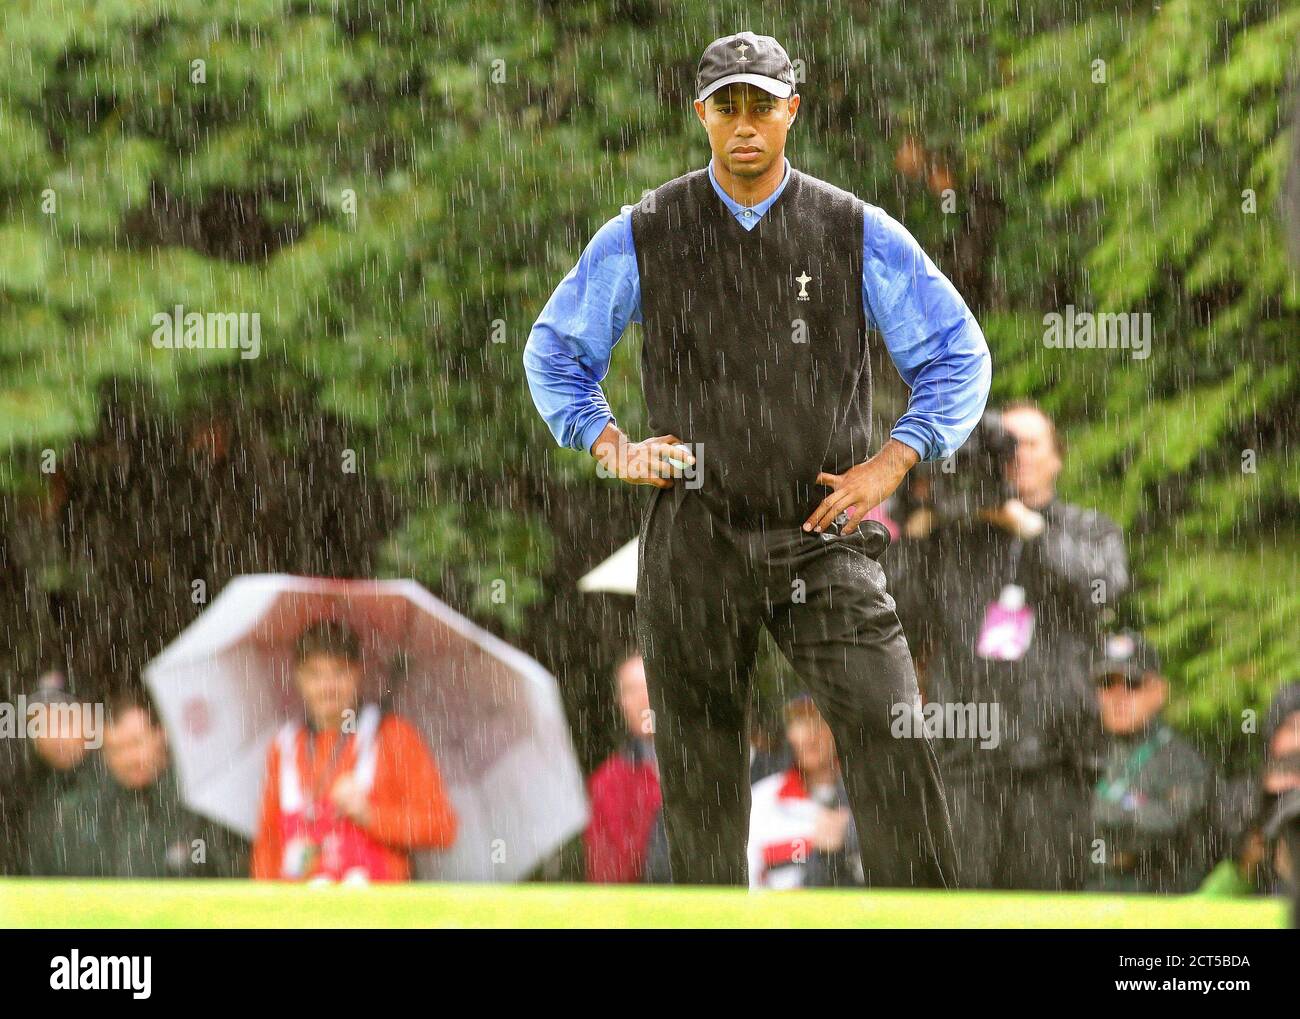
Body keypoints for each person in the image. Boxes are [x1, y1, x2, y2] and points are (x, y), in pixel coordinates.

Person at [524, 31, 990, 887]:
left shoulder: (855, 229)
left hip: (825, 528)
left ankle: (924, 913)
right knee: (699, 768)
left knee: (890, 723)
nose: (745, 124)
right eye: (727, 106)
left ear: (792, 112)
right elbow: (554, 351)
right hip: (694, 530)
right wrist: (608, 442)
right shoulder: (646, 229)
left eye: (761, 105)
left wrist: (897, 458)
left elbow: (958, 354)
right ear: (701, 113)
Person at [893, 402, 1129, 890]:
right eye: (1007, 446)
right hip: (964, 754)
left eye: (1031, 443)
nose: (1017, 456)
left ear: (1058, 458)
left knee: (1045, 908)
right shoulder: (954, 537)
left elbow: (1101, 588)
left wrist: (1030, 528)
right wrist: (917, 521)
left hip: (1055, 756)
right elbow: (898, 618)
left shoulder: (1087, 529)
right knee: (959, 908)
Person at [251, 620, 457, 882]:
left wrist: (371, 816)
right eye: (315, 674)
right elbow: (267, 850)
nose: (328, 687)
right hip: (303, 915)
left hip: (378, 914)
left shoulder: (393, 736)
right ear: (299, 678)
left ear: (358, 673)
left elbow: (442, 828)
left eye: (339, 672)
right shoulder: (285, 747)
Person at [1085, 631, 1214, 893]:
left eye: (1133, 683)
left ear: (1159, 691)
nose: (1118, 696)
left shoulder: (1181, 760)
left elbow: (1172, 830)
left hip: (1158, 905)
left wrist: (1112, 819)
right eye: (1107, 683)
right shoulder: (1084, 754)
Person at [94, 690, 246, 878]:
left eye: (136, 743)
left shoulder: (202, 800)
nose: (129, 759)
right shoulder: (99, 811)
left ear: (162, 734)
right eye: (115, 750)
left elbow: (226, 873)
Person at [747, 695, 863, 889]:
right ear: (789, 734)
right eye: (800, 721)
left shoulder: (868, 799)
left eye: (819, 721)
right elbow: (749, 885)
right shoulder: (762, 801)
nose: (810, 734)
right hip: (781, 917)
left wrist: (851, 836)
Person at [584, 652, 670, 883]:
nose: (645, 698)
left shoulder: (706, 765)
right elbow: (607, 875)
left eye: (651, 685)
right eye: (632, 690)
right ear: (620, 702)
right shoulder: (607, 781)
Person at [15, 672, 103, 877]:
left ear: (92, 720)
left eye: (64, 720)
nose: (54, 736)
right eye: (40, 725)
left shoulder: (125, 783)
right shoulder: (30, 795)